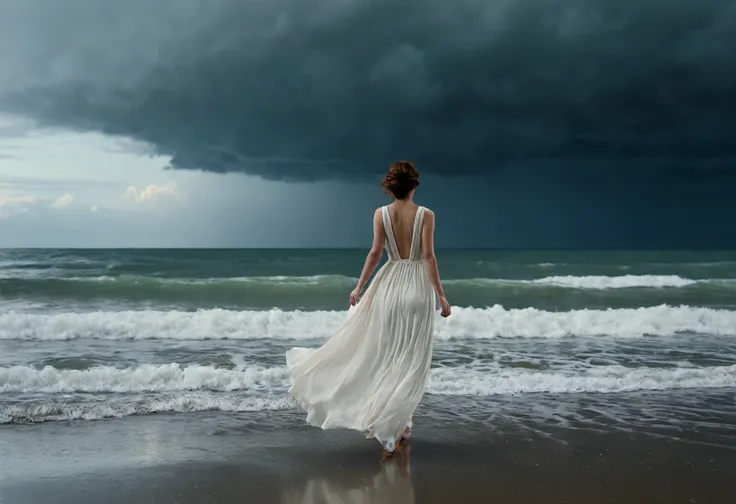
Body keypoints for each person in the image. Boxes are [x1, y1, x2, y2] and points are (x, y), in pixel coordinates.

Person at [285, 160, 451, 455]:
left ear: (390, 187)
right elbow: (428, 257)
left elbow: (375, 252)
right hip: (415, 289)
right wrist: (441, 295)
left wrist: (359, 287)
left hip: (388, 287)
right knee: (409, 361)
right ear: (414, 185)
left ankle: (390, 421)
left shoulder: (381, 214)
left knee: (386, 355)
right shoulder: (426, 215)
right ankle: (399, 424)